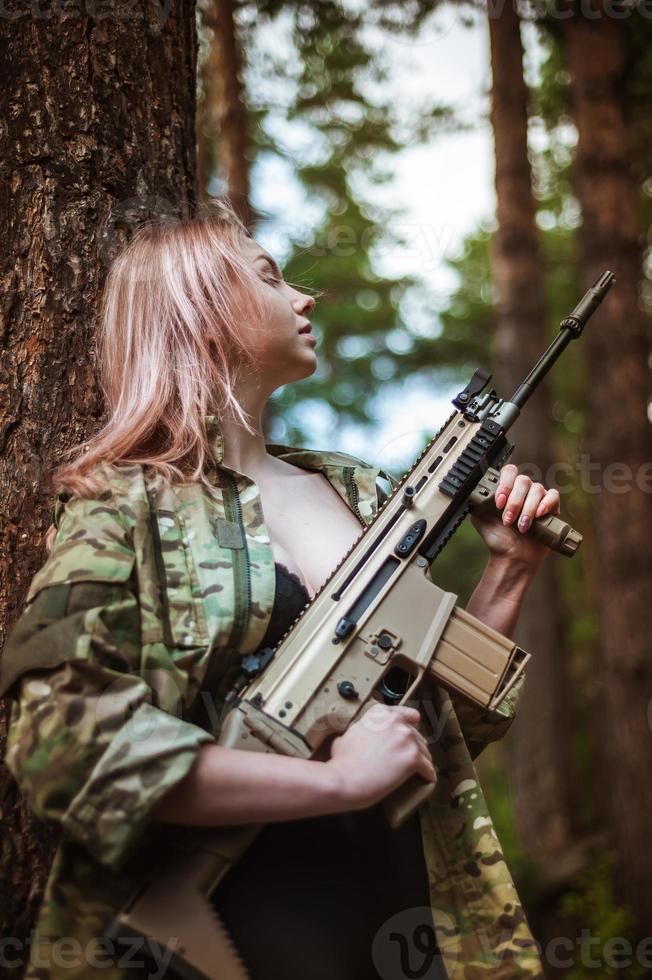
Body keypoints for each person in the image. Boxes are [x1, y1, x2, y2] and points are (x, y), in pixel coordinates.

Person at [0, 202, 555, 980]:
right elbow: (64, 744)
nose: (304, 297)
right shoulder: (124, 505)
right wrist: (330, 782)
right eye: (267, 277)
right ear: (198, 309)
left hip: (407, 914)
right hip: (228, 933)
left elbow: (428, 730)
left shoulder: (361, 492)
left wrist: (511, 568)